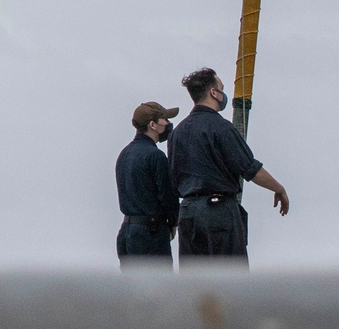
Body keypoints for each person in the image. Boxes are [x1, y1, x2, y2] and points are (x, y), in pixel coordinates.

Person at [168, 67, 289, 265]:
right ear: (213, 92)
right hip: (218, 213)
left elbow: (173, 180)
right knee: (230, 281)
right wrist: (279, 188)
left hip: (188, 213)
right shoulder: (221, 127)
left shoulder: (177, 133)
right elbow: (250, 168)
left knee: (194, 283)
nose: (224, 94)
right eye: (222, 89)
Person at [114, 101, 181, 268]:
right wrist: (174, 222)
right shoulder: (155, 156)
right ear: (152, 125)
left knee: (132, 291)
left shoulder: (124, 154)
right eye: (164, 119)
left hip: (126, 232)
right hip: (150, 234)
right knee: (159, 290)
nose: (168, 123)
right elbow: (167, 195)